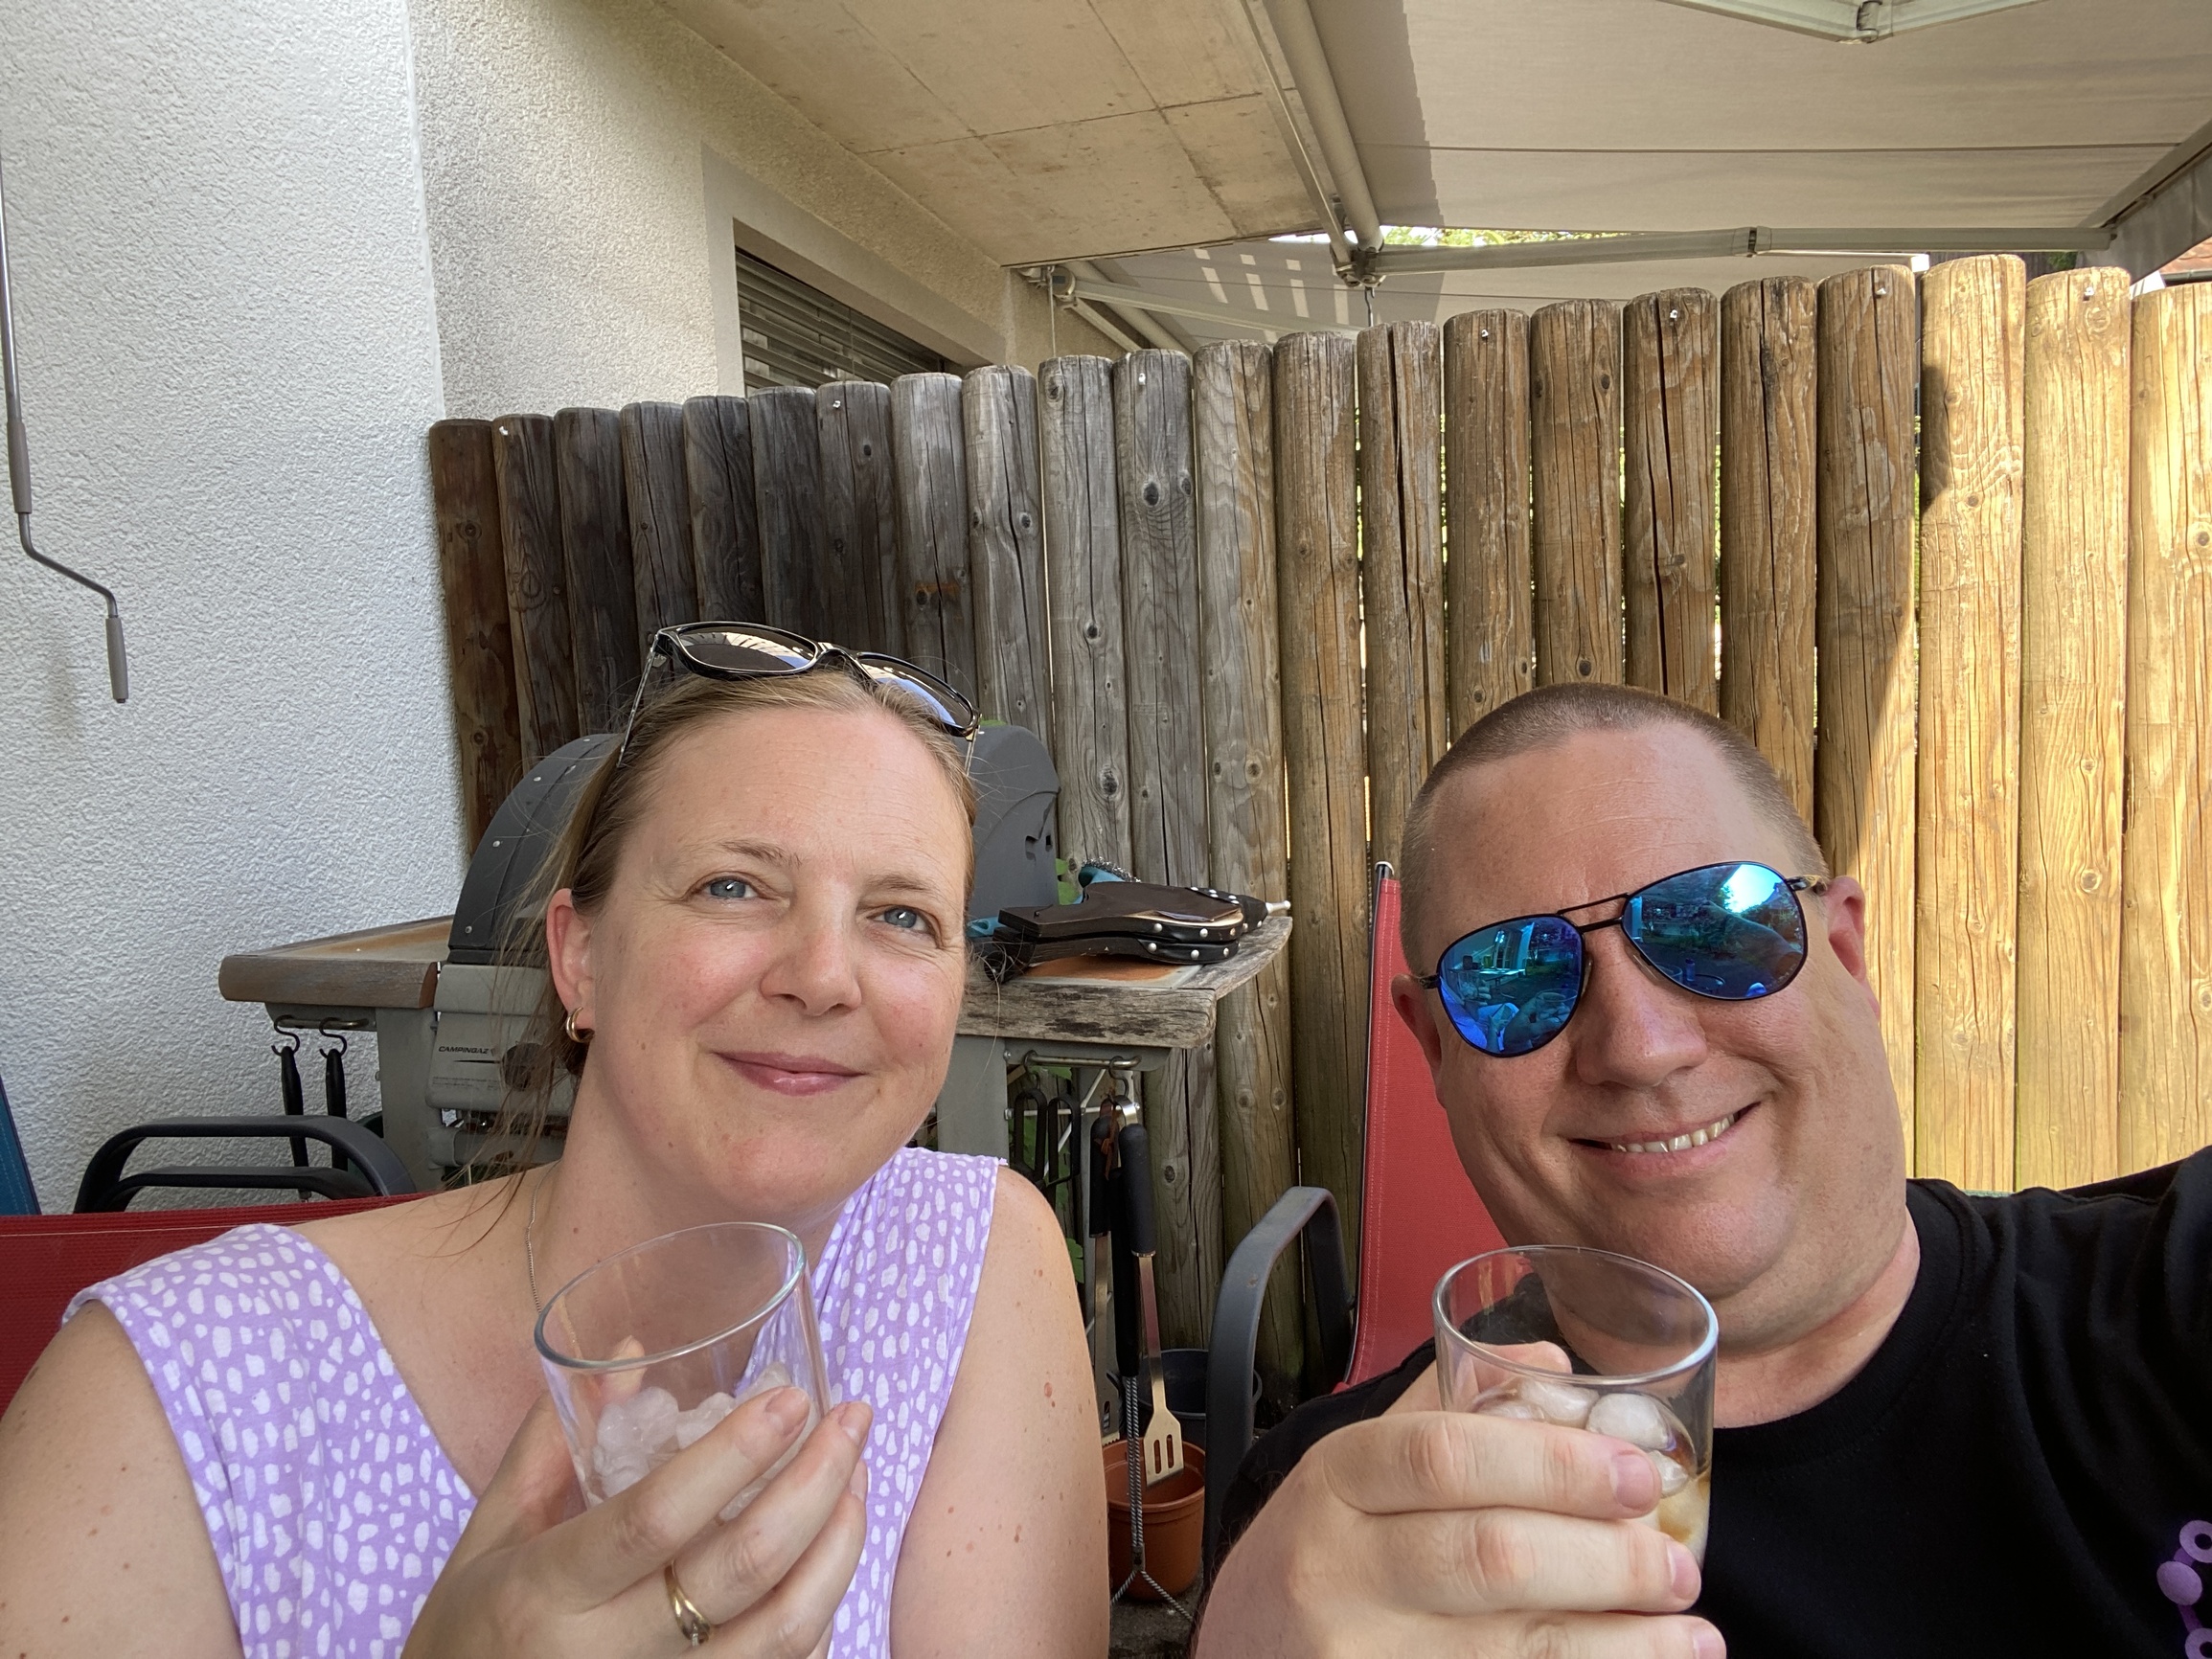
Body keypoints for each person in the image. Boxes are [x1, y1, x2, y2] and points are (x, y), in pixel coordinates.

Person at [0, 629, 1107, 1659]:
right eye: (732, 885)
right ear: (579, 959)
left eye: (902, 914)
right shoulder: (176, 1394)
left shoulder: (972, 1259)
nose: (823, 976)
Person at [1197, 682, 2212, 1659]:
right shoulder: (1336, 1535)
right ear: (1432, 1049)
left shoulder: (2173, 1301)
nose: (1638, 1047)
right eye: (1515, 974)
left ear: (1845, 954)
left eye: (1715, 927)